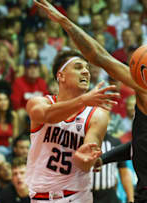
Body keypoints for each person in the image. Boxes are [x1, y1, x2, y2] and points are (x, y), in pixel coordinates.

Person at [33, 1, 147, 202]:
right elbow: (141, 145)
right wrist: (105, 158)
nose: (140, 65)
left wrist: (65, 22)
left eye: (146, 64)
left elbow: (100, 56)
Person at [25, 48, 119, 202]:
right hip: (40, 197)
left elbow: (85, 163)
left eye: (87, 68)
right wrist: (84, 100)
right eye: (78, 67)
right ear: (60, 76)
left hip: (76, 196)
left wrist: (86, 159)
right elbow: (47, 115)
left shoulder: (97, 114)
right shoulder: (39, 102)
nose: (85, 72)